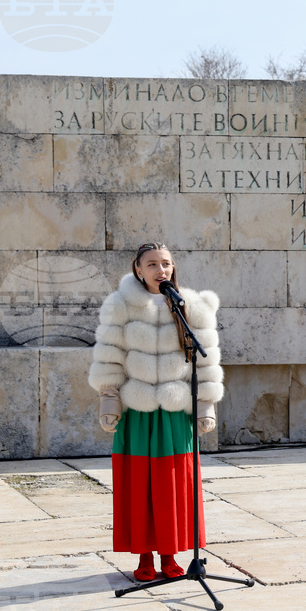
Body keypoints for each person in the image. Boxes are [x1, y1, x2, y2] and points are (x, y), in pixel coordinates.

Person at [88, 242, 224, 581]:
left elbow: (204, 362)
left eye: (165, 263)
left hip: (175, 413)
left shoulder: (191, 306)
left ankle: (171, 553)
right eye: (152, 264)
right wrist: (109, 400)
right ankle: (144, 557)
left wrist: (205, 404)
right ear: (138, 269)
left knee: (175, 486)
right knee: (139, 487)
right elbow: (109, 355)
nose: (160, 270)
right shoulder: (120, 306)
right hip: (138, 413)